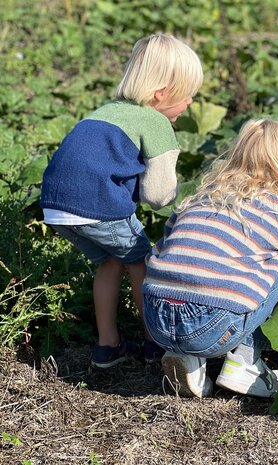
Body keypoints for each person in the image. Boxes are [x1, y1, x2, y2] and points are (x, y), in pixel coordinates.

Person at [142, 118, 278, 398]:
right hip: (211, 326)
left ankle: (186, 356)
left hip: (156, 319)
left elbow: (167, 244)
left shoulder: (199, 197)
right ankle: (244, 363)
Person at [40, 33, 203, 368]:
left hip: (56, 206)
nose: (189, 103)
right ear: (161, 94)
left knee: (111, 263)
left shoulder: (105, 111)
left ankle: (107, 346)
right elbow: (157, 196)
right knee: (141, 264)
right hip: (98, 204)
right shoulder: (155, 122)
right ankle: (154, 342)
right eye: (187, 95)